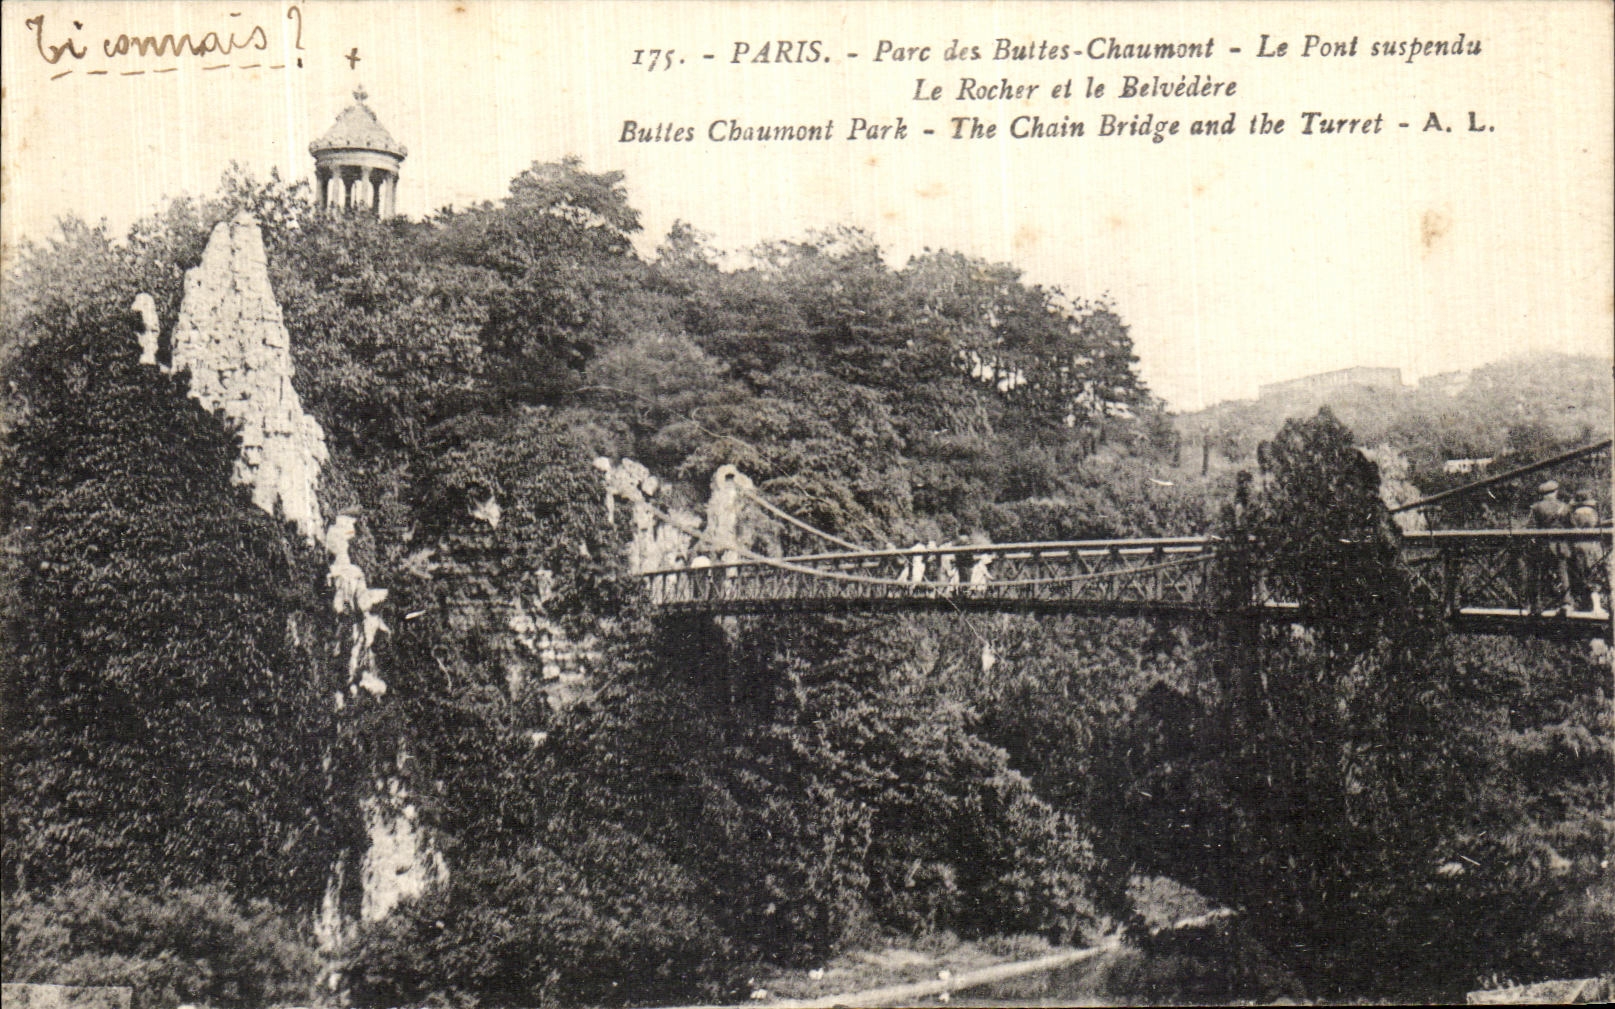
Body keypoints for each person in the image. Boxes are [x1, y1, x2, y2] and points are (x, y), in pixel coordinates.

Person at [1529, 480, 1572, 614]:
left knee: (1540, 574)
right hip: (1560, 545)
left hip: (1544, 545)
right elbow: (1571, 525)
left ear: (1543, 494)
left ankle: (1538, 605)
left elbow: (1530, 527)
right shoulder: (1564, 507)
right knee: (1562, 573)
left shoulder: (1536, 507)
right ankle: (1566, 603)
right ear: (1555, 492)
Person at [1568, 490, 1605, 614]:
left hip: (1578, 545)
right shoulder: (1593, 513)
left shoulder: (1574, 513)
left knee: (1580, 573)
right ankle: (1596, 606)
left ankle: (1580, 604)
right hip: (1593, 545)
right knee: (1594, 574)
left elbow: (1572, 527)